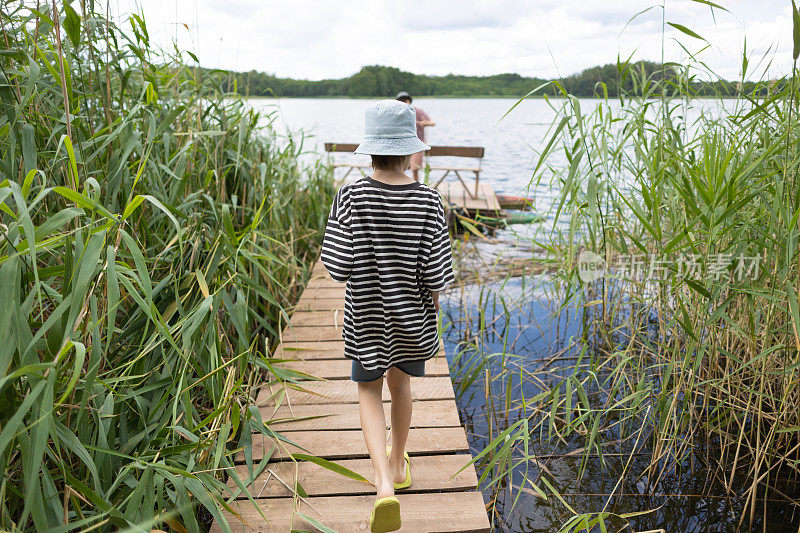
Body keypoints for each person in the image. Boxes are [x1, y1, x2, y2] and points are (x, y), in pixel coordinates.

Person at [320, 99, 455, 533]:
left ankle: (382, 485)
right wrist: (429, 314)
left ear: (370, 148)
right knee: (401, 387)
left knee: (368, 391)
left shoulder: (351, 195)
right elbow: (437, 276)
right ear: (409, 149)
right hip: (411, 320)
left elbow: (337, 268)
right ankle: (399, 464)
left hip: (367, 319)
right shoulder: (430, 201)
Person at [396, 91, 435, 182]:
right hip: (402, 146)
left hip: (417, 146)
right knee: (399, 169)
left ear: (409, 101)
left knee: (415, 169)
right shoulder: (397, 113)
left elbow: (432, 122)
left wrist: (424, 123)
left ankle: (415, 188)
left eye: (405, 100)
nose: (404, 102)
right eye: (401, 100)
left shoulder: (418, 111)